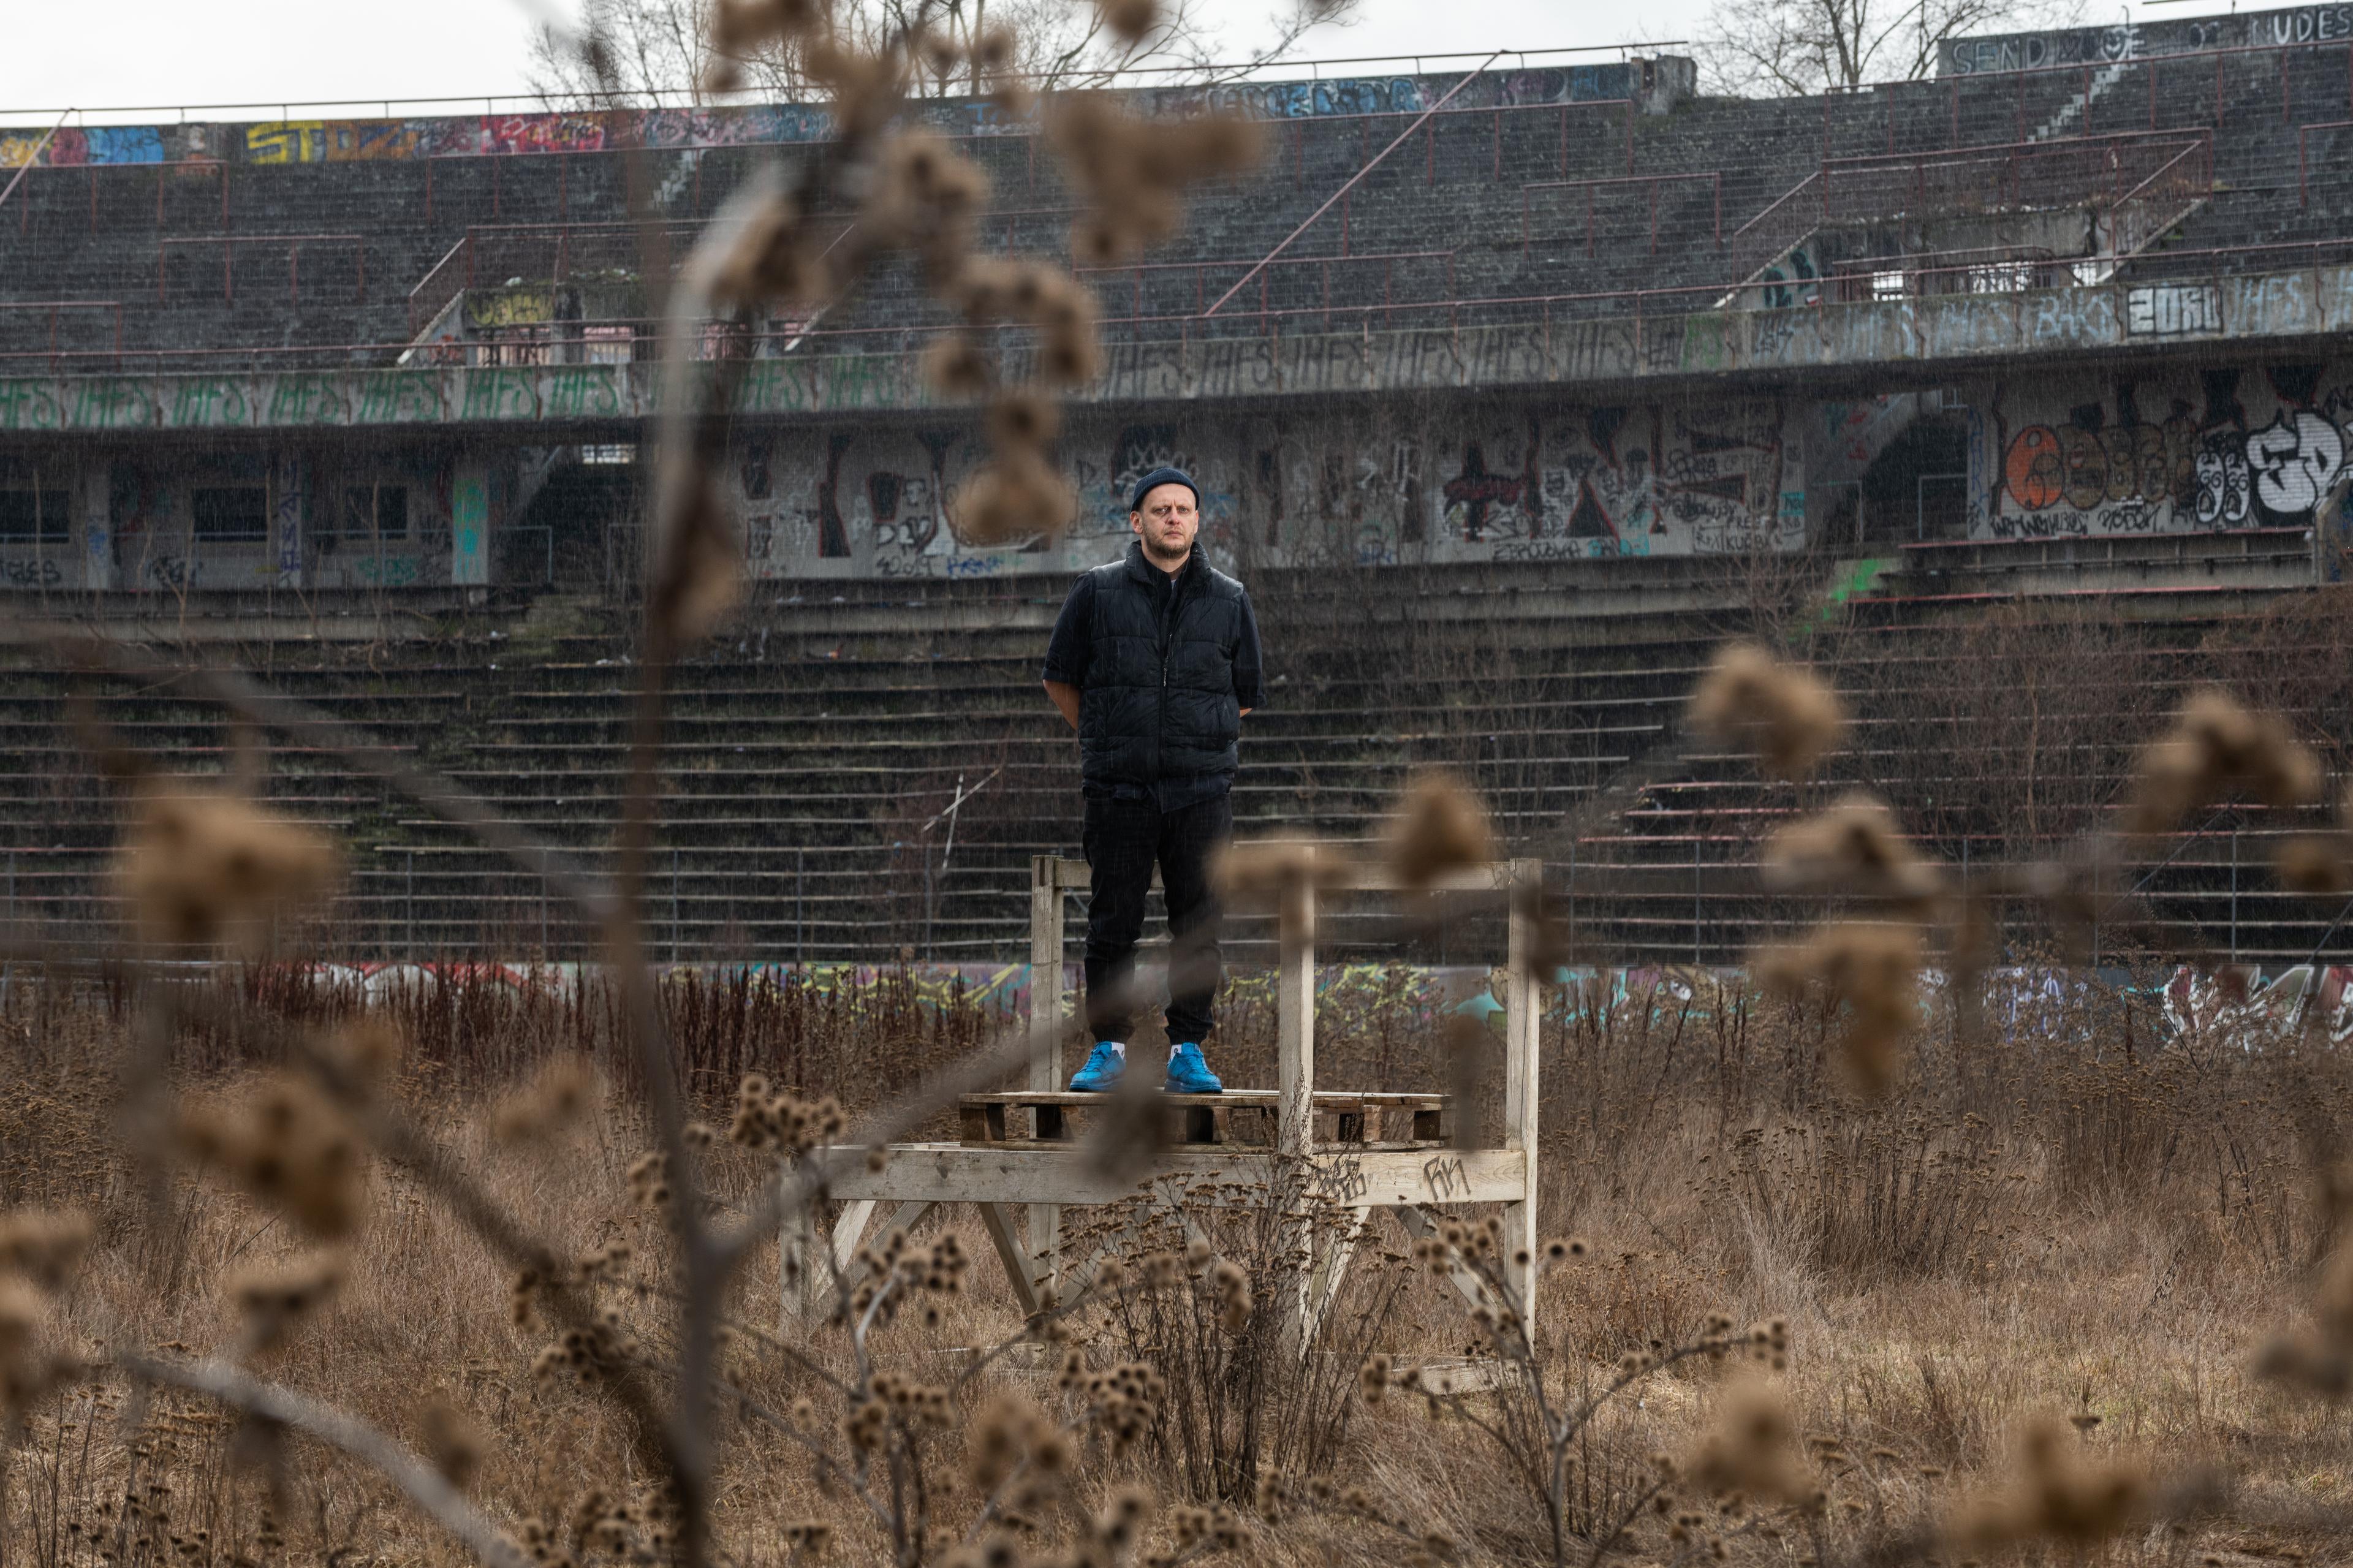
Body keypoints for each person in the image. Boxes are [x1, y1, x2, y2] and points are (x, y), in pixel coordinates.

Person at [1039, 466, 1265, 1094]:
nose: (1173, 518)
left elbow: (1245, 694)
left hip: (1200, 792)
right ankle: (1107, 1051)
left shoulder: (1230, 599)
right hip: (1120, 790)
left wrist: (1189, 740)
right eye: (1160, 509)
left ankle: (1188, 1051)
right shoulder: (1096, 592)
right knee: (1114, 920)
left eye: (1184, 509)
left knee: (1198, 922)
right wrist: (1110, 736)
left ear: (1197, 521)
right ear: (1136, 521)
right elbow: (1060, 676)